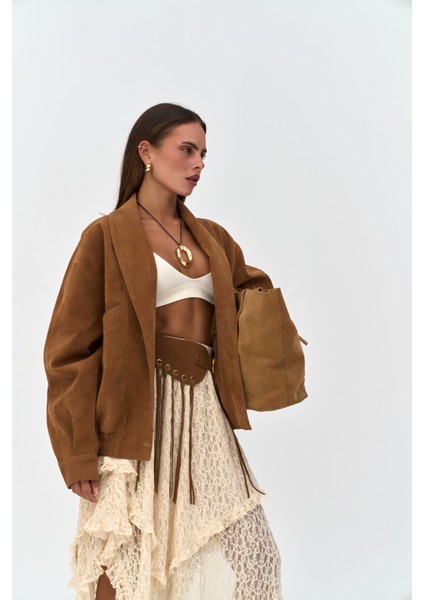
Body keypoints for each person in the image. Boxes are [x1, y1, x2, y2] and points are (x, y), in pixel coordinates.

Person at [44, 102, 284, 599]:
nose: (198, 164)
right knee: (121, 566)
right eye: (187, 150)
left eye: (203, 155)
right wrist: (77, 451)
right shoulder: (106, 237)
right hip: (133, 418)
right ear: (147, 152)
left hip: (204, 417)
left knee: (257, 558)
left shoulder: (214, 238)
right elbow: (69, 353)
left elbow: (254, 298)